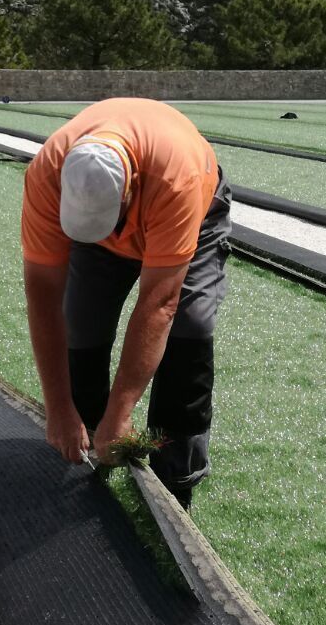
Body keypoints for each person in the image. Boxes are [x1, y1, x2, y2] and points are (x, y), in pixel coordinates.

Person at [21, 98, 230, 507]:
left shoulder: (175, 179)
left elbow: (160, 303)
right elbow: (43, 294)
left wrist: (122, 409)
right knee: (81, 326)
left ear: (129, 190)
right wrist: (59, 408)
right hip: (103, 227)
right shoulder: (46, 174)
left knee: (190, 330)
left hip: (192, 213)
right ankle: (87, 444)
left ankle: (176, 477)